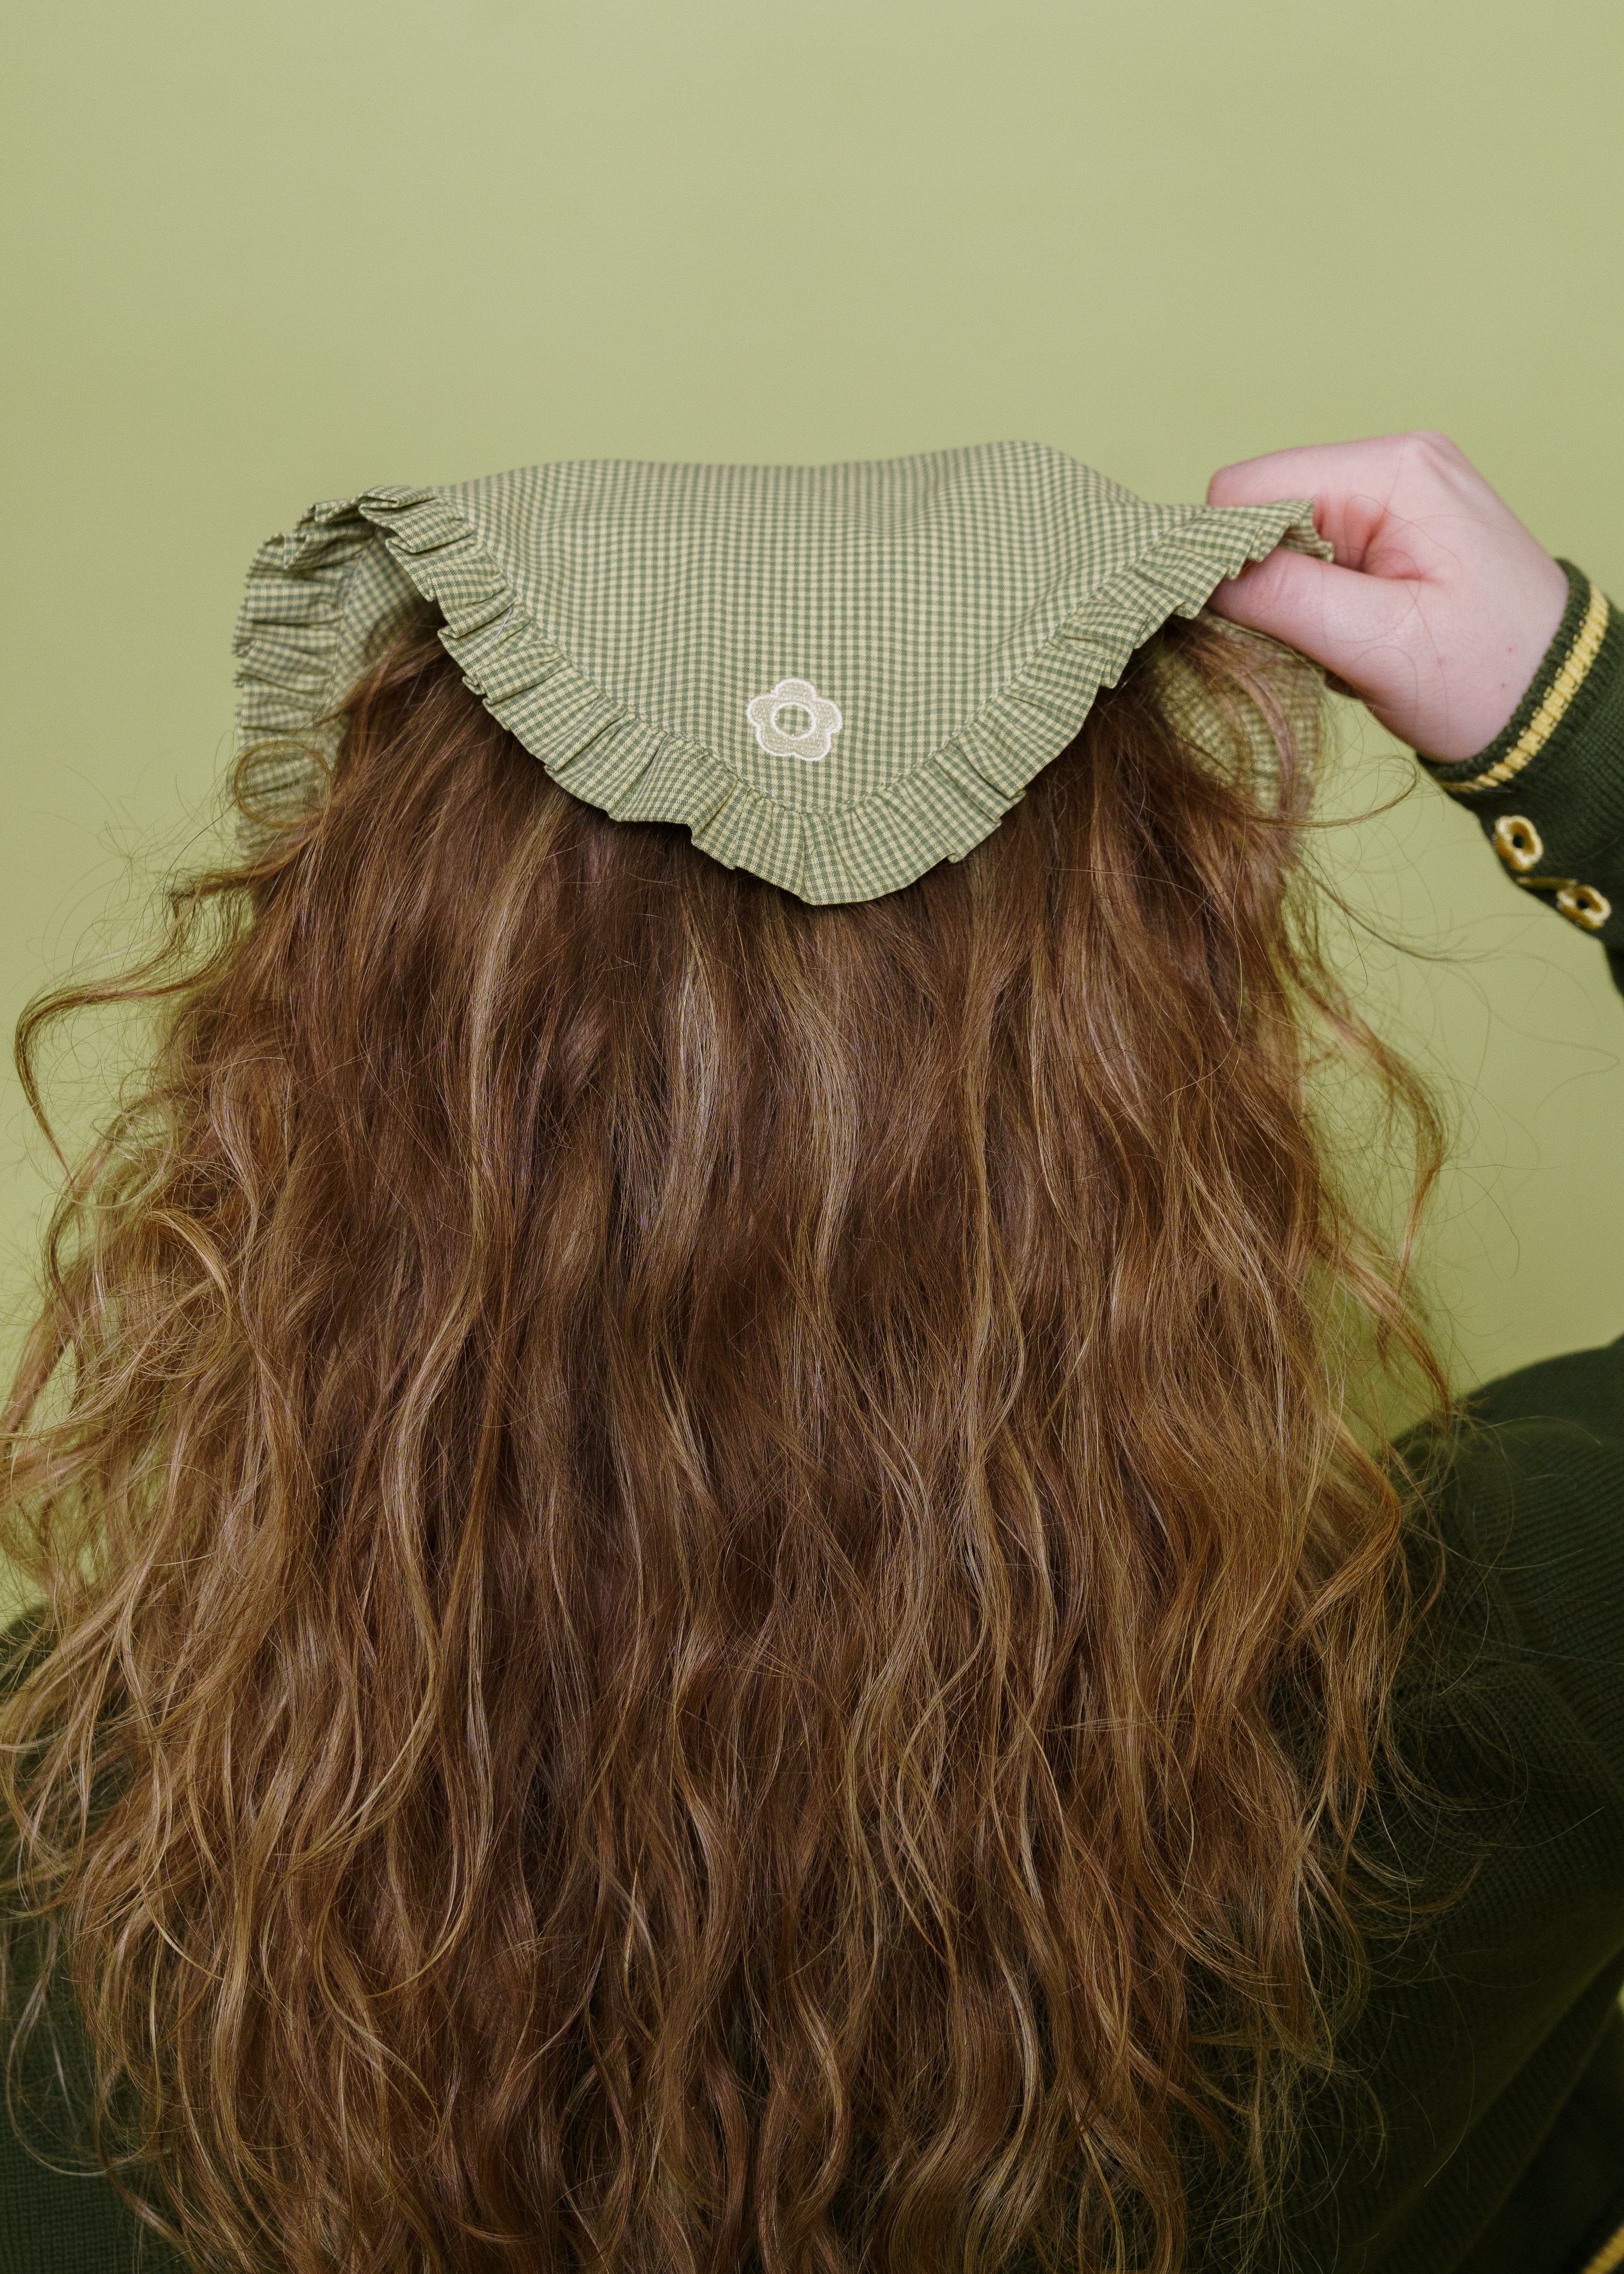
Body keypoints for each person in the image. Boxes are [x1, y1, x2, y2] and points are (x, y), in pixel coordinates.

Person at [0, 429, 1619, 2274]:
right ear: (1180, 1086)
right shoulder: (1481, 1704)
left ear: (332, 1057)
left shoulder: (60, 1845)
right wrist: (1564, 714)